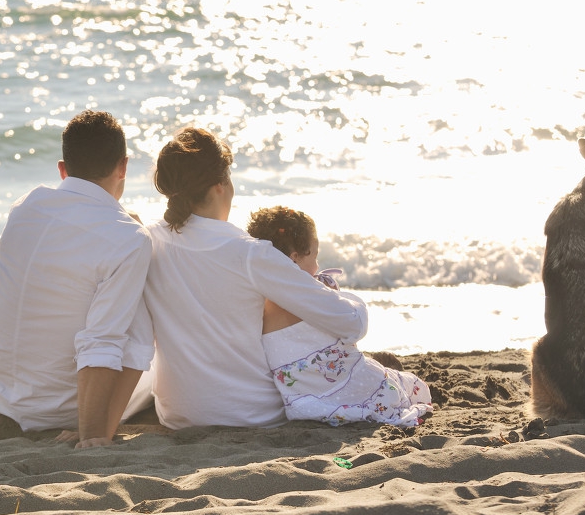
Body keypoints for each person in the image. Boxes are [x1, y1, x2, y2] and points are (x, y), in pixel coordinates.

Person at [143, 127, 369, 429]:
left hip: (176, 415)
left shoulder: (147, 240)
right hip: (251, 414)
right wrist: (336, 295)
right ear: (220, 185)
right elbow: (351, 323)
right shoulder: (250, 254)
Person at [0, 110, 153, 448]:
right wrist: (93, 434)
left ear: (63, 169)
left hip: (2, 396)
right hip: (66, 409)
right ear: (123, 167)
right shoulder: (130, 238)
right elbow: (102, 340)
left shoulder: (25, 207)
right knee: (144, 324)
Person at [246, 206, 432, 427]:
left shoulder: (256, 297)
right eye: (315, 256)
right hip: (341, 386)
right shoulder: (307, 294)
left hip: (303, 400)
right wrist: (341, 295)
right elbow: (354, 326)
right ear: (294, 259)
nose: (317, 266)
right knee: (411, 387)